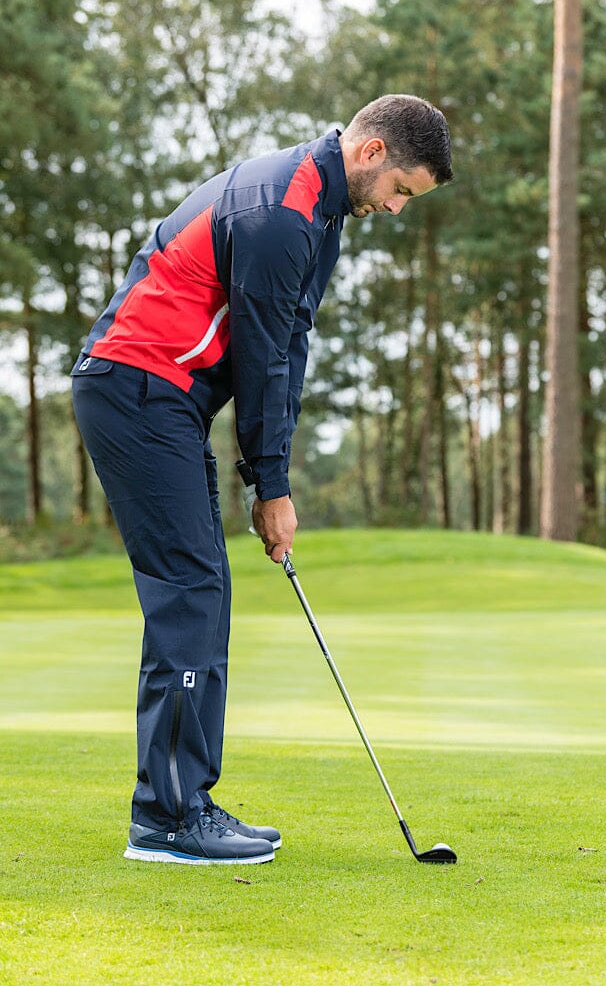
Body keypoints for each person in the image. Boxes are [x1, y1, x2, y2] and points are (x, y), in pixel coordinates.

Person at [71, 95, 453, 866]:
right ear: (371, 153)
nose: (398, 208)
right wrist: (269, 488)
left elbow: (290, 346)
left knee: (201, 587)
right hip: (137, 386)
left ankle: (185, 803)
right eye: (402, 191)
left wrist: (267, 475)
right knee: (192, 587)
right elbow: (260, 357)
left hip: (162, 398)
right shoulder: (283, 210)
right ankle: (168, 820)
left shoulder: (321, 210)